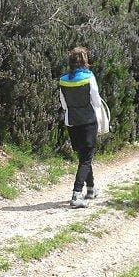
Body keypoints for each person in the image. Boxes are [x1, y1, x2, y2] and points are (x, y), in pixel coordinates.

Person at [58, 47, 103, 208]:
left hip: (72, 122)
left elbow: (63, 104)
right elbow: (96, 101)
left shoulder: (63, 80)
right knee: (86, 158)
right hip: (88, 121)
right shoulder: (89, 77)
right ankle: (77, 194)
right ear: (84, 61)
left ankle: (90, 189)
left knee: (83, 156)